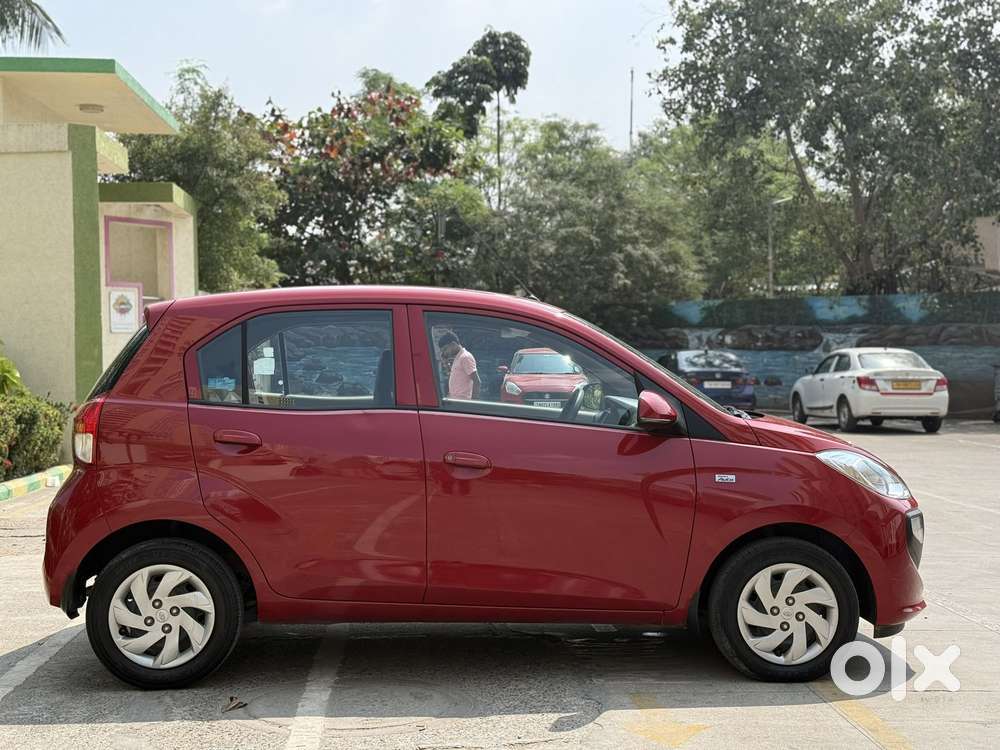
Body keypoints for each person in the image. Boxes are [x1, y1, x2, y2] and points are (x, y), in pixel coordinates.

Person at [438, 331, 480, 400]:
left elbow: (477, 381)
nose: (445, 353)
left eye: (445, 349)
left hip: (463, 404)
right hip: (456, 402)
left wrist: (473, 404)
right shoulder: (459, 357)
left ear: (453, 344)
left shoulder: (465, 357)